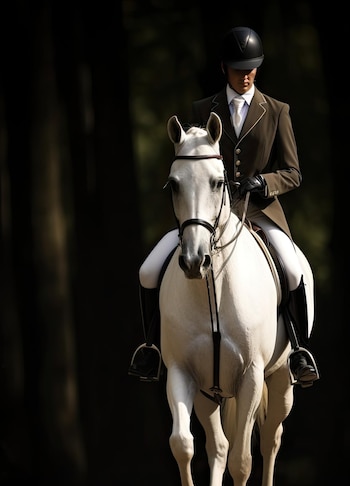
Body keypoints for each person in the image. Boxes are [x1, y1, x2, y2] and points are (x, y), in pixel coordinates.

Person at [129, 26, 319, 387]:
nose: (245, 75)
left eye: (251, 68)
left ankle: (298, 352)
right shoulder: (203, 109)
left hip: (260, 212)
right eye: (237, 69)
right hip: (205, 214)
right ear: (223, 69)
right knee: (148, 271)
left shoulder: (277, 111)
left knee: (294, 272)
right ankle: (151, 349)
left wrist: (264, 182)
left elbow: (293, 172)